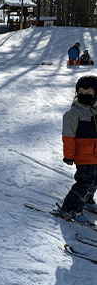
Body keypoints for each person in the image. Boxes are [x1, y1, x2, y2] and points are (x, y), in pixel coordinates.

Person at [60, 76, 97, 224]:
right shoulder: (73, 114)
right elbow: (68, 137)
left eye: (89, 93)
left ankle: (87, 199)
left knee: (94, 181)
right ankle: (70, 208)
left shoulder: (95, 111)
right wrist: (69, 156)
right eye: (81, 92)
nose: (84, 96)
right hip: (84, 157)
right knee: (84, 182)